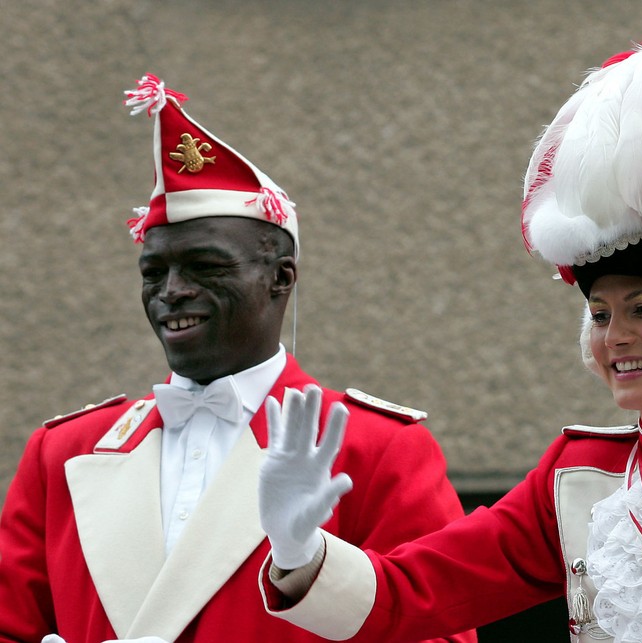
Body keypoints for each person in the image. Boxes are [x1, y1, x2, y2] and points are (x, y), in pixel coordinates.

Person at [255, 5, 642, 642]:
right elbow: (420, 592)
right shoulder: (576, 472)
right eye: (600, 315)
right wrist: (302, 555)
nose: (615, 336)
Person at [0, 74, 476, 643]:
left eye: (205, 266)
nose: (170, 290)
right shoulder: (64, 451)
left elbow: (436, 633)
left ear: (280, 279)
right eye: (154, 273)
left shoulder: (373, 446)